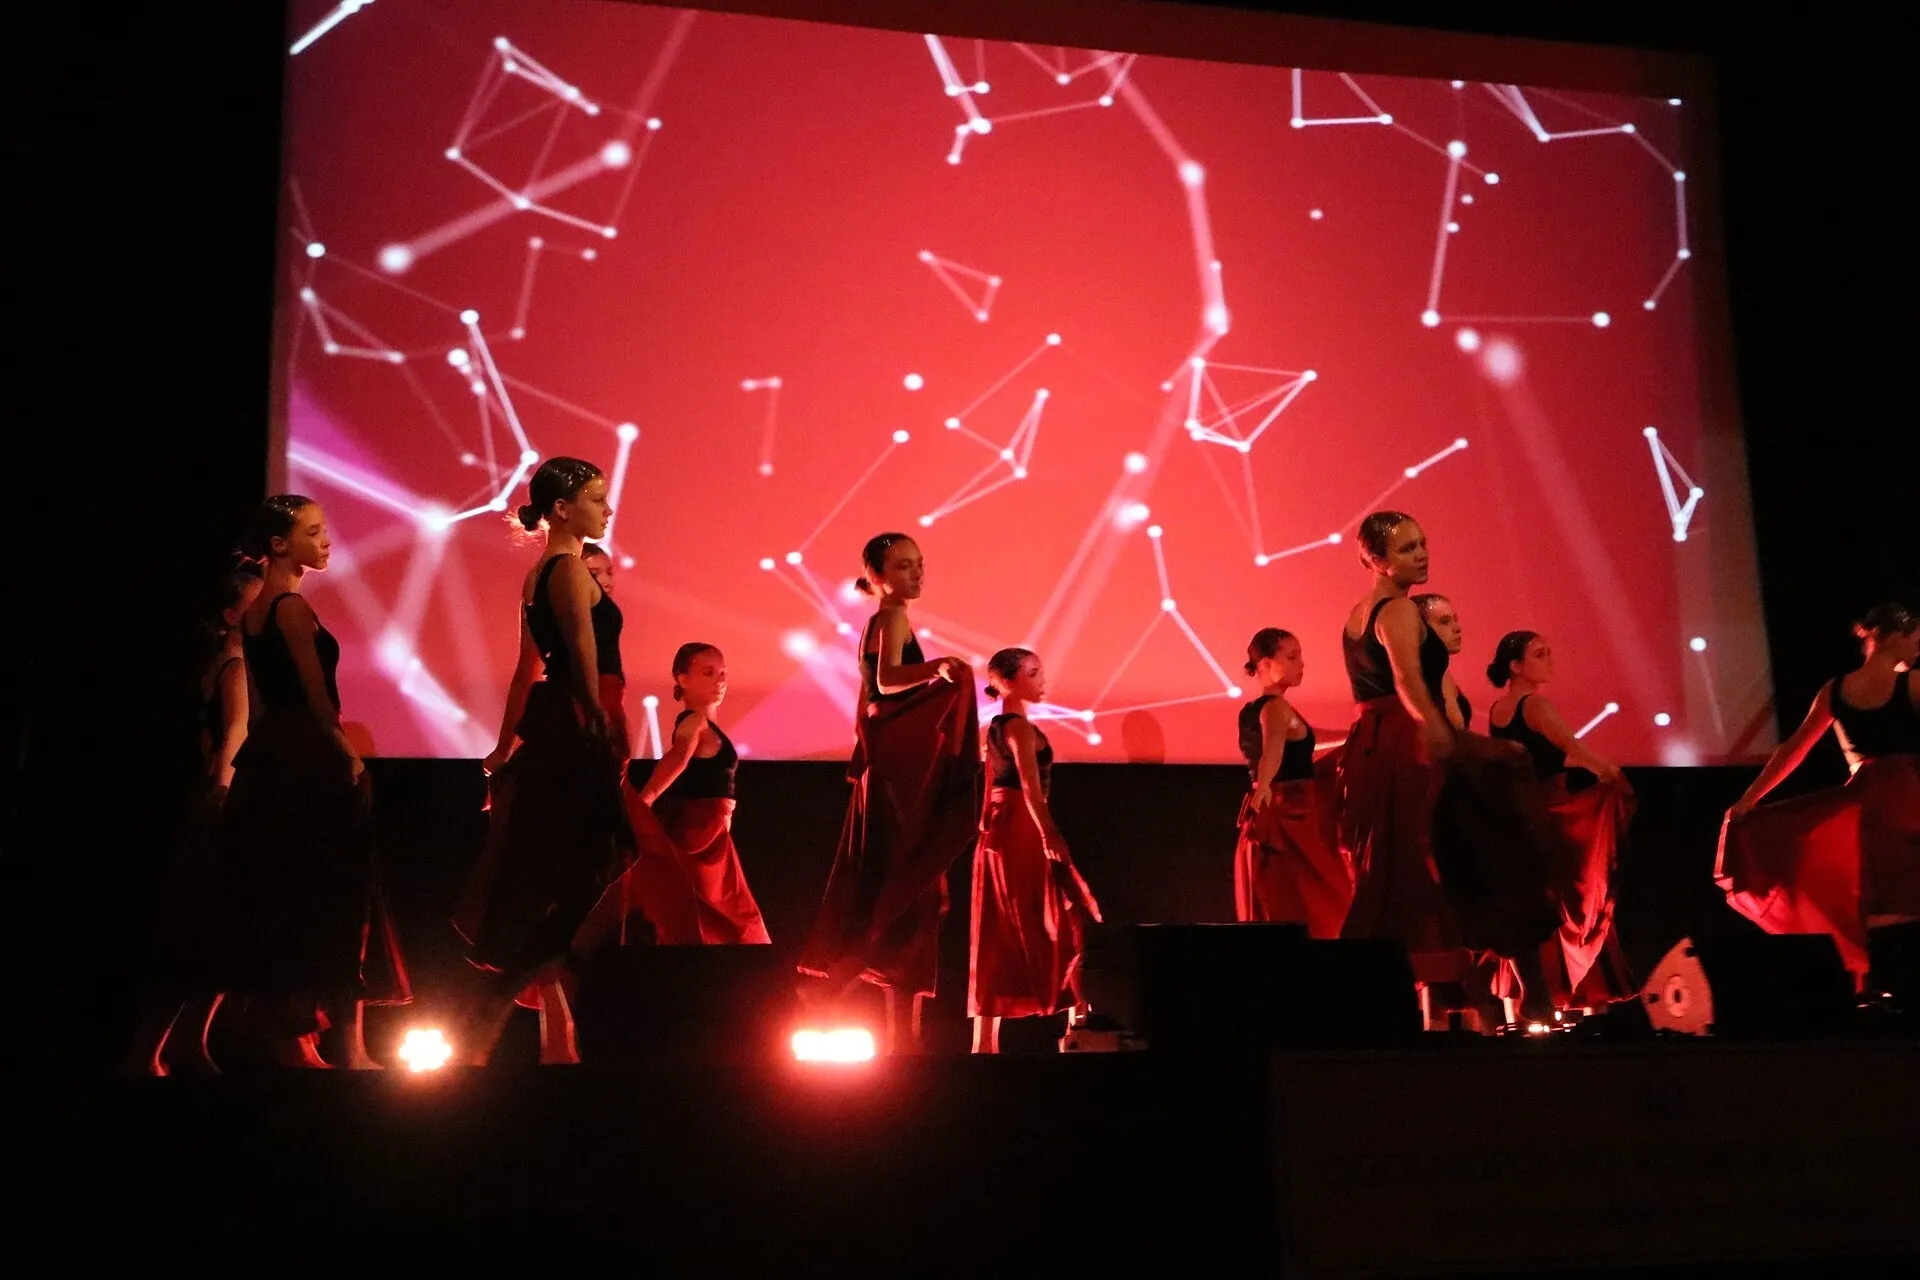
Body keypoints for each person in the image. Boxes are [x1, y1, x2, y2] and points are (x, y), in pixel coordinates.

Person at [1336, 511, 1556, 1032]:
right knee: (1473, 857)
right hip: (1409, 744)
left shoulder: (1358, 615)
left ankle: (1491, 997)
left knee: (1423, 868)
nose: (1422, 555)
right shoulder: (1396, 610)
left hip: (1378, 747)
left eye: (1422, 544)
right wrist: (1436, 730)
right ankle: (1511, 995)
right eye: (1407, 548)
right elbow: (1408, 679)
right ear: (1376, 559)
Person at [455, 458, 639, 1064]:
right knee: (604, 852)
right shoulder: (565, 570)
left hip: (570, 719)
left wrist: (504, 744)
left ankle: (510, 986)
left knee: (582, 862)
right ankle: (505, 988)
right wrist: (598, 720)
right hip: (578, 721)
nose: (606, 509)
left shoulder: (541, 574)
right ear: (562, 509)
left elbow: (524, 671)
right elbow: (580, 654)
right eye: (596, 499)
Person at [218, 497, 410, 1068]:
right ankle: (346, 1048)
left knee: (290, 896)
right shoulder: (290, 607)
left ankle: (297, 1041)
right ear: (280, 544)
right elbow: (319, 701)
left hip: (274, 755)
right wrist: (350, 759)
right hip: (308, 757)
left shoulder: (256, 609)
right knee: (337, 896)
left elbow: (265, 702)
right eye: (314, 531)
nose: (326, 540)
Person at [798, 533, 981, 1053]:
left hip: (894, 771)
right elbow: (888, 681)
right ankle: (852, 1003)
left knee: (908, 894)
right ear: (877, 576)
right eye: (903, 566)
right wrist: (937, 668)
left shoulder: (889, 619)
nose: (916, 574)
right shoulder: (891, 617)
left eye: (919, 564)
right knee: (909, 891)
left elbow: (872, 699)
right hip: (897, 778)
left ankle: (895, 1031)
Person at [1719, 602, 1920, 987]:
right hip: (1909, 801)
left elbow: (1793, 750)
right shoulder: (1913, 684)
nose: (1918, 649)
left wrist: (1750, 799)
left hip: (1863, 810)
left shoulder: (1837, 690)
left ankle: (1877, 993)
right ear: (1895, 636)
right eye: (1916, 639)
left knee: (1873, 905)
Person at [126, 561, 262, 1075]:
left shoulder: (219, 657)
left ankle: (185, 1044)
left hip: (211, 796)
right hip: (221, 799)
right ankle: (150, 1052)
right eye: (256, 602)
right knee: (202, 927)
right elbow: (235, 731)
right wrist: (224, 794)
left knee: (216, 931)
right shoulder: (235, 660)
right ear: (231, 613)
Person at [1487, 631, 1637, 1014]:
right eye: (1539, 654)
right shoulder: (1536, 705)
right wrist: (1606, 770)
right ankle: (1582, 1002)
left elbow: (1545, 756)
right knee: (1570, 898)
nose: (1549, 660)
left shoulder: (1498, 710)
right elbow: (1570, 746)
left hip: (1518, 815)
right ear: (1516, 666)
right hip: (1548, 813)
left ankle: (1535, 999)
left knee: (1533, 900)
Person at [969, 648, 1101, 1053]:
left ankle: (985, 1044)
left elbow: (990, 785)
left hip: (1001, 830)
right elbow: (1029, 787)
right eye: (1033, 672)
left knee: (1000, 931)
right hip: (1022, 828)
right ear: (1009, 681)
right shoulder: (1017, 729)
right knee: (1065, 918)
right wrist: (1049, 833)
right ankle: (1079, 1026)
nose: (1042, 680)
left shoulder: (995, 728)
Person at [624, 643, 771, 944]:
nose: (720, 681)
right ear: (683, 679)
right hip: (701, 835)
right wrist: (643, 802)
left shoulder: (707, 726)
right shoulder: (693, 721)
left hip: (710, 832)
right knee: (732, 918)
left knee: (717, 916)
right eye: (708, 673)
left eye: (723, 673)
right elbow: (678, 757)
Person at [1233, 628, 1350, 937]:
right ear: (1266, 664)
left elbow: (1304, 739)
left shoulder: (1254, 710)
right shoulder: (1277, 708)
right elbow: (1271, 753)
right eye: (1292, 657)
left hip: (1280, 813)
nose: (1301, 664)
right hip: (1288, 817)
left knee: (1297, 901)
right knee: (1317, 900)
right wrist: (1264, 785)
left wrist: (1351, 736)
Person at [1415, 593, 1473, 730]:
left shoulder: (1444, 675)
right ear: (1422, 629)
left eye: (1455, 620)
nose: (1457, 628)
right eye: (1445, 622)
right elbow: (1456, 727)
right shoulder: (1422, 678)